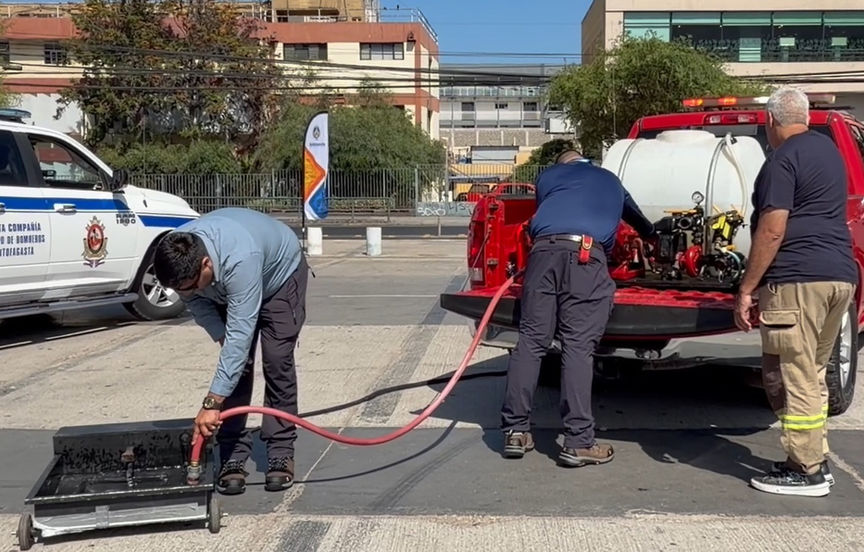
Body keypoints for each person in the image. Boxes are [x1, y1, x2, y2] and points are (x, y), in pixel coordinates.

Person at [734, 86, 857, 497]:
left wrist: (747, 288)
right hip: (839, 278)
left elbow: (773, 228)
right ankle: (813, 458)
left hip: (798, 279)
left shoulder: (782, 159)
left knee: (792, 375)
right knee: (813, 374)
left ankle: (806, 471)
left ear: (770, 120)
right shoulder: (830, 153)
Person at [500, 150, 655, 467]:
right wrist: (652, 233)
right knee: (577, 346)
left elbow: (549, 210)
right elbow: (637, 220)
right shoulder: (611, 180)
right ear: (586, 161)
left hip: (542, 255)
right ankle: (578, 442)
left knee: (531, 341)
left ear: (562, 165)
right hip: (585, 256)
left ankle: (516, 432)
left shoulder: (548, 177)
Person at [153, 207, 308, 495]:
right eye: (180, 290)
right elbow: (197, 303)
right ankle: (233, 452)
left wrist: (211, 404)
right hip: (227, 285)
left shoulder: (240, 259)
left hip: (280, 278)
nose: (186, 293)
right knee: (239, 364)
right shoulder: (176, 252)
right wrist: (222, 337)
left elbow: (240, 334)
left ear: (206, 264)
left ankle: (281, 449)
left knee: (277, 360)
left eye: (190, 286)